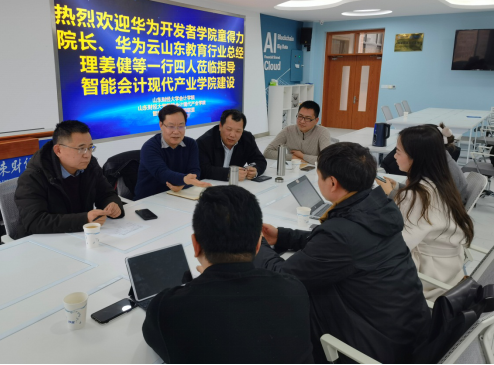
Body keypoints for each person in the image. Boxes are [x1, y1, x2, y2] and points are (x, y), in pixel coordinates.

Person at [254, 142, 430, 363]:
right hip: (406, 330)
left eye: (318, 176)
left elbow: (283, 279)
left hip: (373, 346)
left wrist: (257, 246)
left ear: (332, 183)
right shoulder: (377, 207)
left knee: (273, 301)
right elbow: (339, 244)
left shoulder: (341, 234)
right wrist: (283, 236)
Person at [142, 185, 314, 364]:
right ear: (258, 246)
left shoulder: (168, 309)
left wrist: (202, 282)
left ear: (196, 245)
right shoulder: (294, 289)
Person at [377, 125, 474, 302]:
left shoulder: (415, 196)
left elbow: (397, 247)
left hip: (428, 283)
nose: (394, 156)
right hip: (450, 273)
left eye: (398, 151)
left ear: (416, 158)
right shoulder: (442, 183)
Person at [14, 120, 124, 238]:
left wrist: (112, 204)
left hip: (77, 236)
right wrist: (84, 219)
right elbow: (35, 222)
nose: (87, 155)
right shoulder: (32, 177)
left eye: (90, 148)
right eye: (81, 148)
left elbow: (106, 194)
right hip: (40, 241)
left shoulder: (90, 166)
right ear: (58, 150)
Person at [134, 105, 211, 200]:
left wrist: (183, 184)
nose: (176, 131)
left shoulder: (191, 144)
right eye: (171, 126)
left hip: (178, 196)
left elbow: (195, 171)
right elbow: (162, 173)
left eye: (181, 126)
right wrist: (184, 180)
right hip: (149, 200)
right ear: (161, 125)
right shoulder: (150, 147)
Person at [380, 123, 469, 203]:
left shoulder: (435, 179)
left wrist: (391, 192)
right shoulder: (439, 163)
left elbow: (412, 205)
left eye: (398, 152)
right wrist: (397, 186)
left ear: (417, 155)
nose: (394, 156)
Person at [196, 109, 267, 181]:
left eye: (238, 131)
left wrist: (255, 170)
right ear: (220, 126)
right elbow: (203, 169)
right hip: (210, 184)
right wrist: (229, 174)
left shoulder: (247, 138)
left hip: (237, 185)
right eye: (229, 129)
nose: (232, 135)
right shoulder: (204, 142)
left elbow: (260, 160)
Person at [264, 100, 330, 164]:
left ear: (316, 120)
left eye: (307, 118)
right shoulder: (288, 130)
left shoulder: (322, 132)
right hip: (293, 167)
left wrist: (302, 156)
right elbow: (267, 152)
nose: (302, 121)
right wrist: (292, 157)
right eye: (300, 116)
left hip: (315, 169)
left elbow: (327, 159)